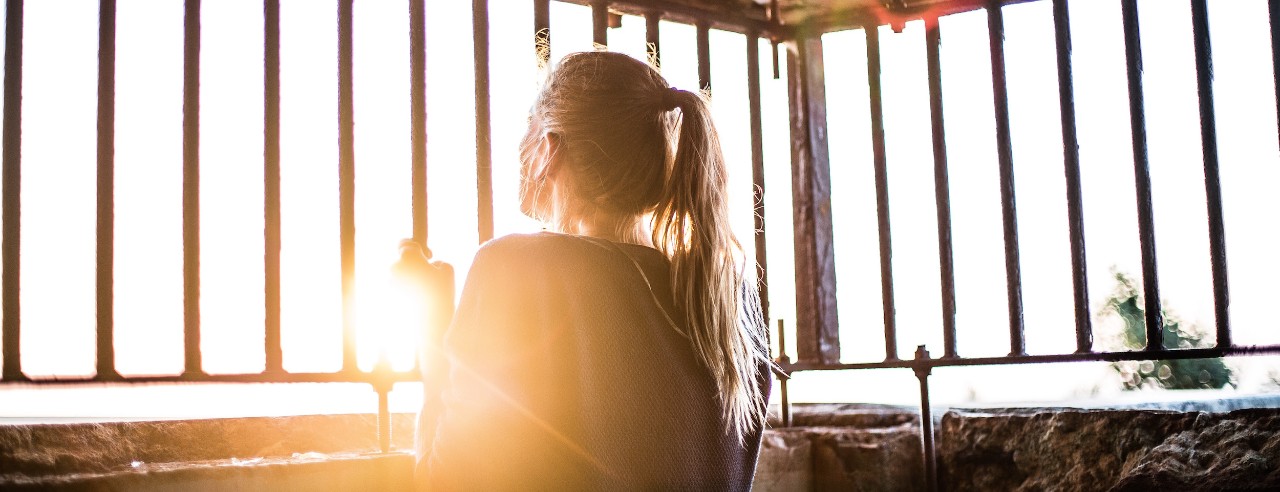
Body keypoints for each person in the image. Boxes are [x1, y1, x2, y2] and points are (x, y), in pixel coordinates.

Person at [415, 50, 773, 491]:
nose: (517, 147)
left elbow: (445, 481)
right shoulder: (722, 301)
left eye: (529, 125)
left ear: (549, 149)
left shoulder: (516, 270)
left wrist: (432, 342)